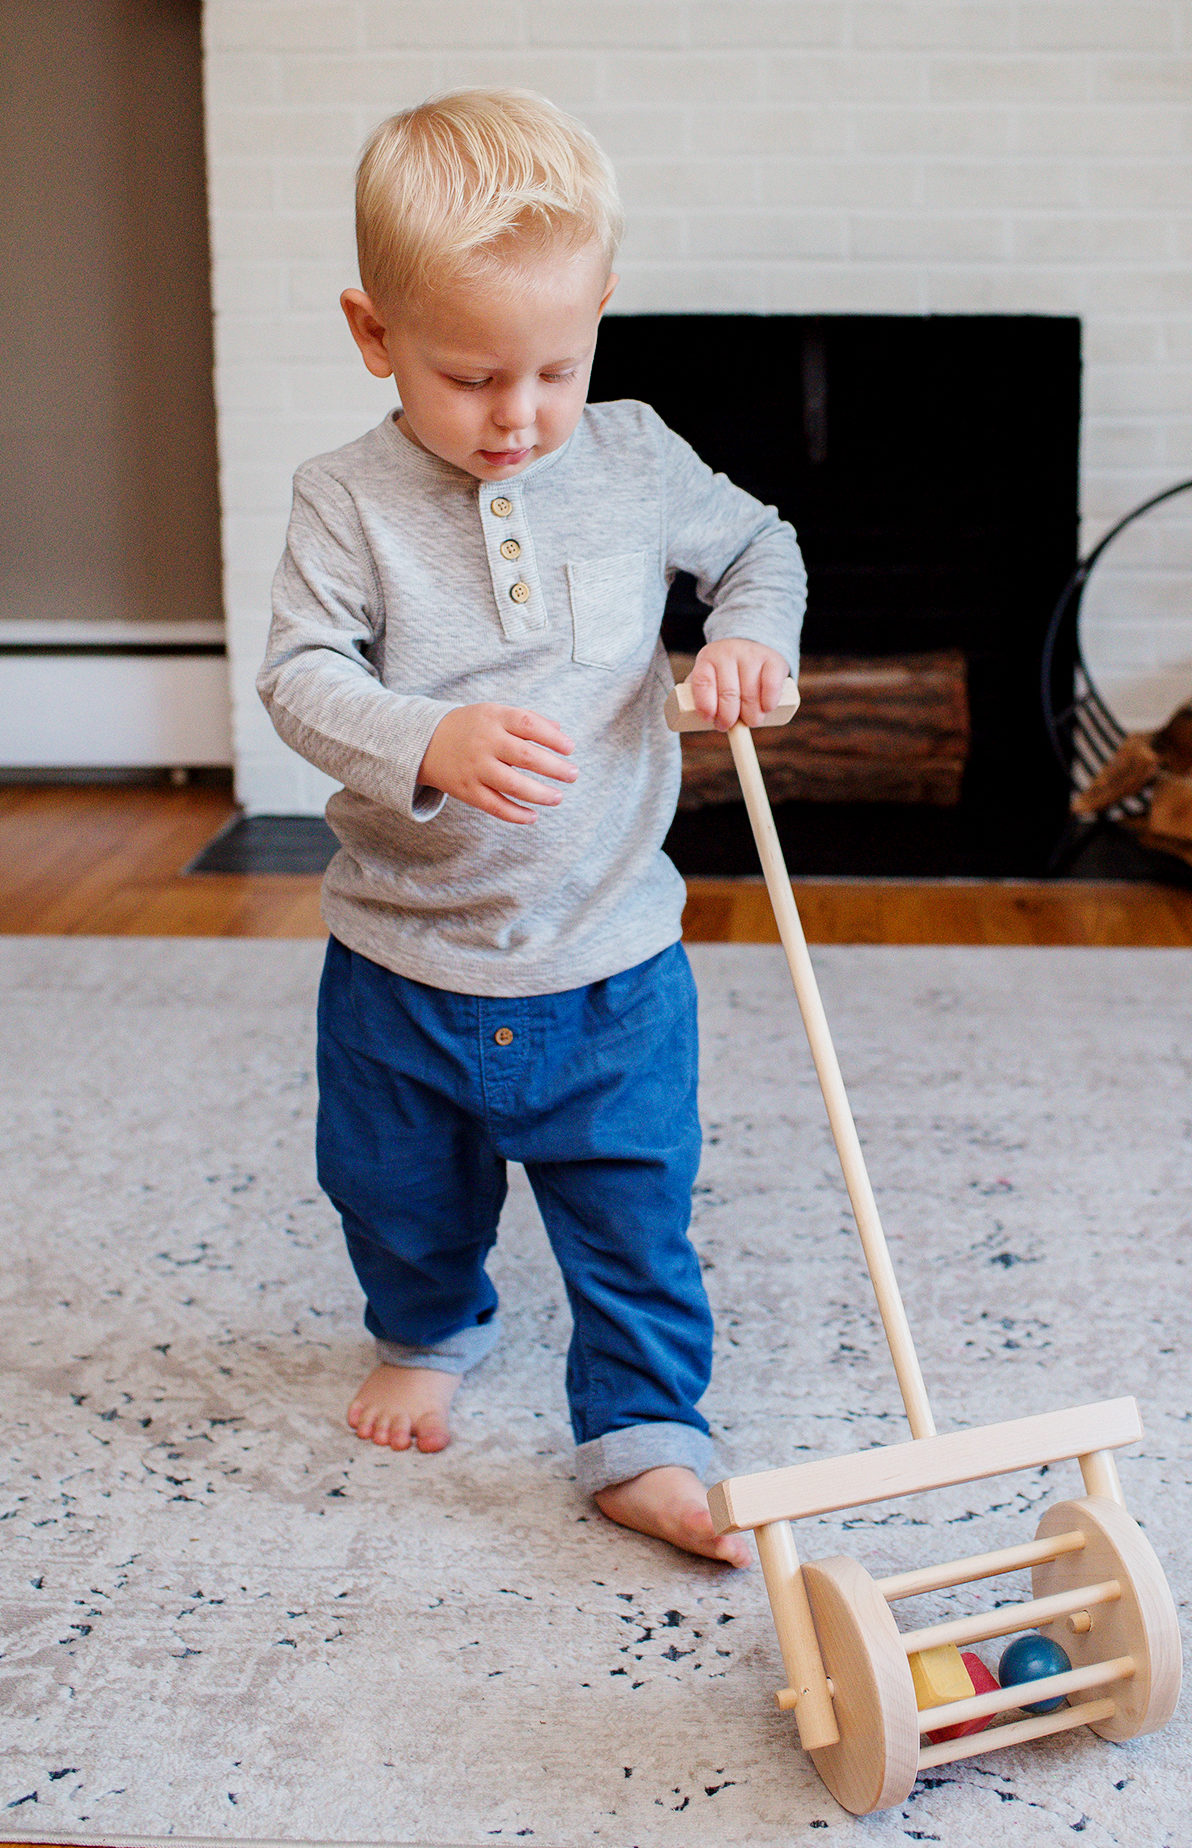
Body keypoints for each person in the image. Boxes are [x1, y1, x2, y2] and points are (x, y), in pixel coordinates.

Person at [257, 88, 804, 1566]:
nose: (517, 416)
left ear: (603, 317)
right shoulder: (345, 501)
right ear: (374, 337)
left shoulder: (632, 459)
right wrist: (422, 736)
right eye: (471, 375)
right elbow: (300, 679)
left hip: (612, 957)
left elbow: (760, 546)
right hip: (403, 962)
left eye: (556, 368)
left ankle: (642, 1434)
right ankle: (431, 1327)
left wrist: (752, 642)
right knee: (390, 1189)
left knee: (635, 1212)